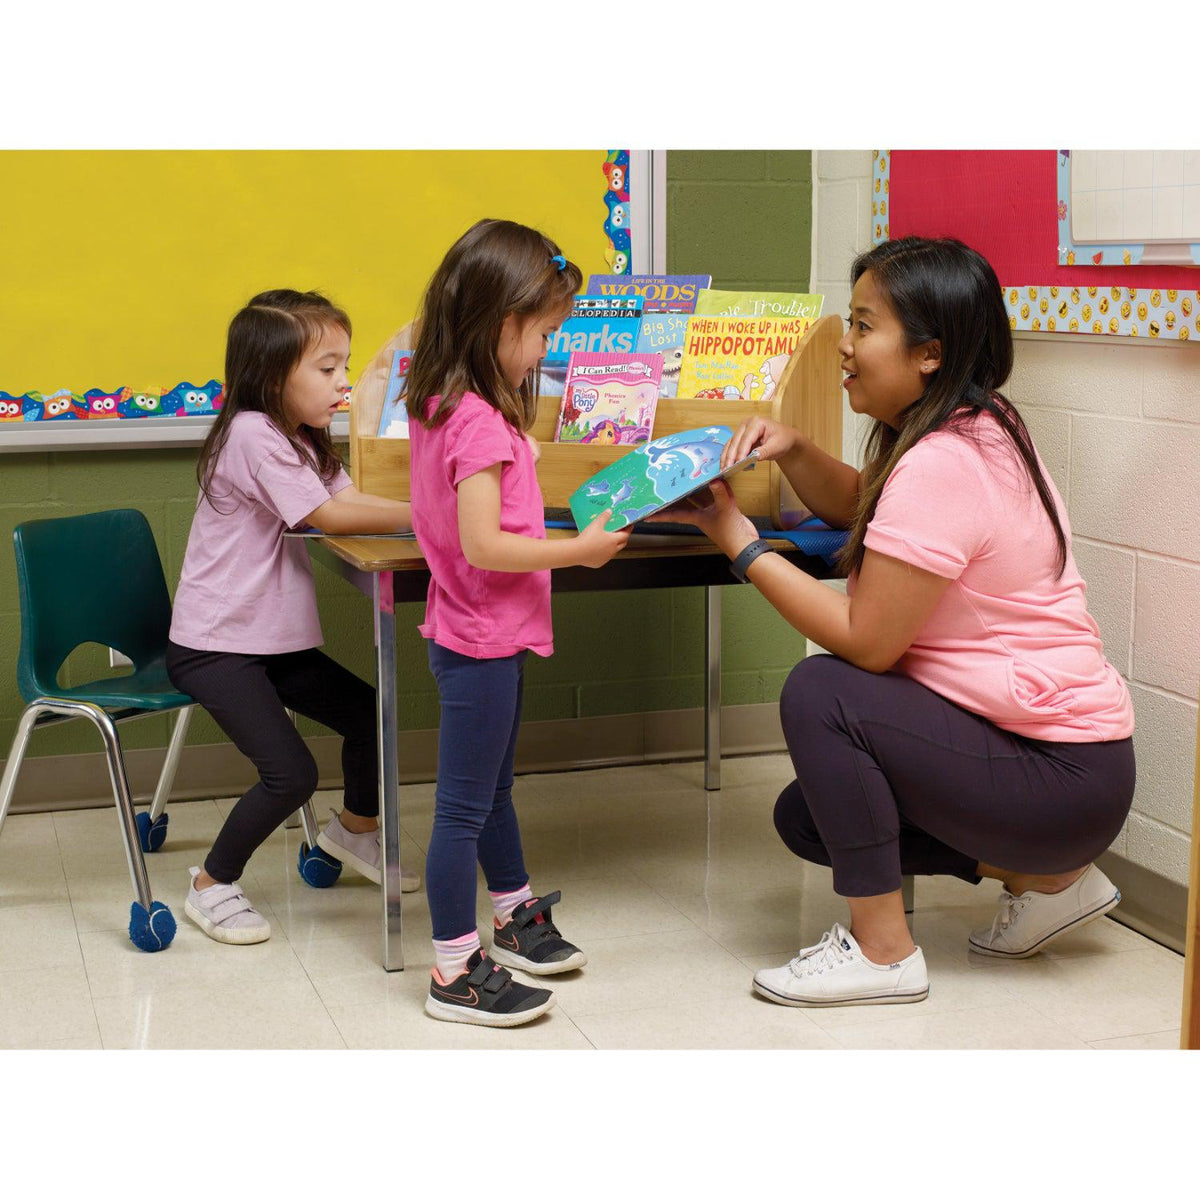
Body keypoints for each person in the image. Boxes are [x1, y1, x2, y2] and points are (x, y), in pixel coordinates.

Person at [660, 237, 1135, 1008]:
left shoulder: (944, 462)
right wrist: (796, 450)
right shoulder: (977, 425)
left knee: (824, 690)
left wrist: (738, 544)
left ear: (929, 353)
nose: (844, 346)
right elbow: (864, 506)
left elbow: (869, 643)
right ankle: (1049, 878)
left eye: (863, 325)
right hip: (1078, 778)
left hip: (1057, 778)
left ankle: (883, 953)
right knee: (810, 818)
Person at [405, 219, 630, 1027]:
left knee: (492, 790)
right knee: (463, 808)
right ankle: (453, 974)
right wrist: (582, 551)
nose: (547, 351)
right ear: (502, 324)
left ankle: (514, 912)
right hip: (481, 635)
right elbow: (483, 541)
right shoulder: (476, 422)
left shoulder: (442, 401)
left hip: (480, 631)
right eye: (544, 334)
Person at [167, 289, 414, 945]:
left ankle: (354, 835)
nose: (343, 383)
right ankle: (211, 883)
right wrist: (437, 512)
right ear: (275, 376)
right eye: (328, 369)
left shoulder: (300, 439)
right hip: (216, 647)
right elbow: (330, 516)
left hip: (270, 644)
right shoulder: (251, 434)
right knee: (291, 773)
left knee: (370, 714)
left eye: (346, 366)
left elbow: (350, 498)